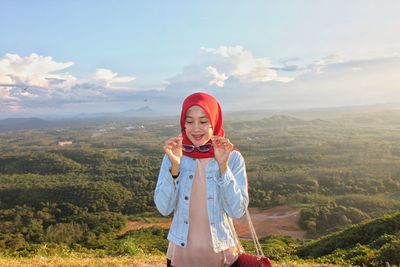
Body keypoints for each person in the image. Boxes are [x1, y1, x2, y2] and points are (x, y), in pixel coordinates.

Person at [154, 92, 249, 267]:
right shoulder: (173, 156)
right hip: (182, 250)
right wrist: (175, 167)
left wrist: (223, 167)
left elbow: (237, 211)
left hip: (221, 250)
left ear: (215, 121)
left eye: (204, 121)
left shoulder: (233, 158)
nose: (196, 128)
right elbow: (164, 208)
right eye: (189, 121)